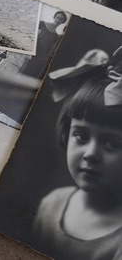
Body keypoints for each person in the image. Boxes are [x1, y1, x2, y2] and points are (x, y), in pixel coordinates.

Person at [30, 47, 122, 259]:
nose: (91, 154)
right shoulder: (51, 204)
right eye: (81, 136)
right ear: (66, 134)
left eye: (111, 143)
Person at [20, 10, 67, 78]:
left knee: (30, 74)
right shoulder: (42, 23)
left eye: (60, 19)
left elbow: (49, 47)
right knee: (21, 70)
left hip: (40, 57)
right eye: (57, 17)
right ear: (54, 17)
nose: (58, 20)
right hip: (31, 52)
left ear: (62, 22)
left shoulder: (56, 36)